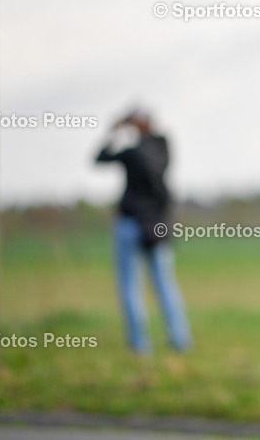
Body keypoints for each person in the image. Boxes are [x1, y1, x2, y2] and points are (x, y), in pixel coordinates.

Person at [96, 107, 191, 354]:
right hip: (154, 224)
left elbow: (103, 159)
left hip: (136, 223)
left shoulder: (139, 151)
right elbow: (100, 161)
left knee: (136, 285)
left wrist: (118, 133)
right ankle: (174, 339)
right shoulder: (160, 147)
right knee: (160, 283)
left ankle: (146, 343)